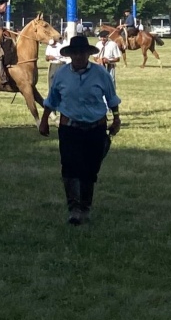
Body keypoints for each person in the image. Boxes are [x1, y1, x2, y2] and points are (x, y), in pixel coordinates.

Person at [39, 35, 121, 226]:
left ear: (88, 54)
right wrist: (44, 120)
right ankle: (74, 208)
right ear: (70, 55)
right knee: (69, 168)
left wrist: (116, 118)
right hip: (70, 128)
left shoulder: (101, 74)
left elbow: (112, 98)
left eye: (82, 53)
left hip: (96, 128)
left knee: (90, 169)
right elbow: (52, 100)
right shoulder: (61, 75)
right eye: (75, 53)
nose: (78, 57)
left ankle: (85, 206)